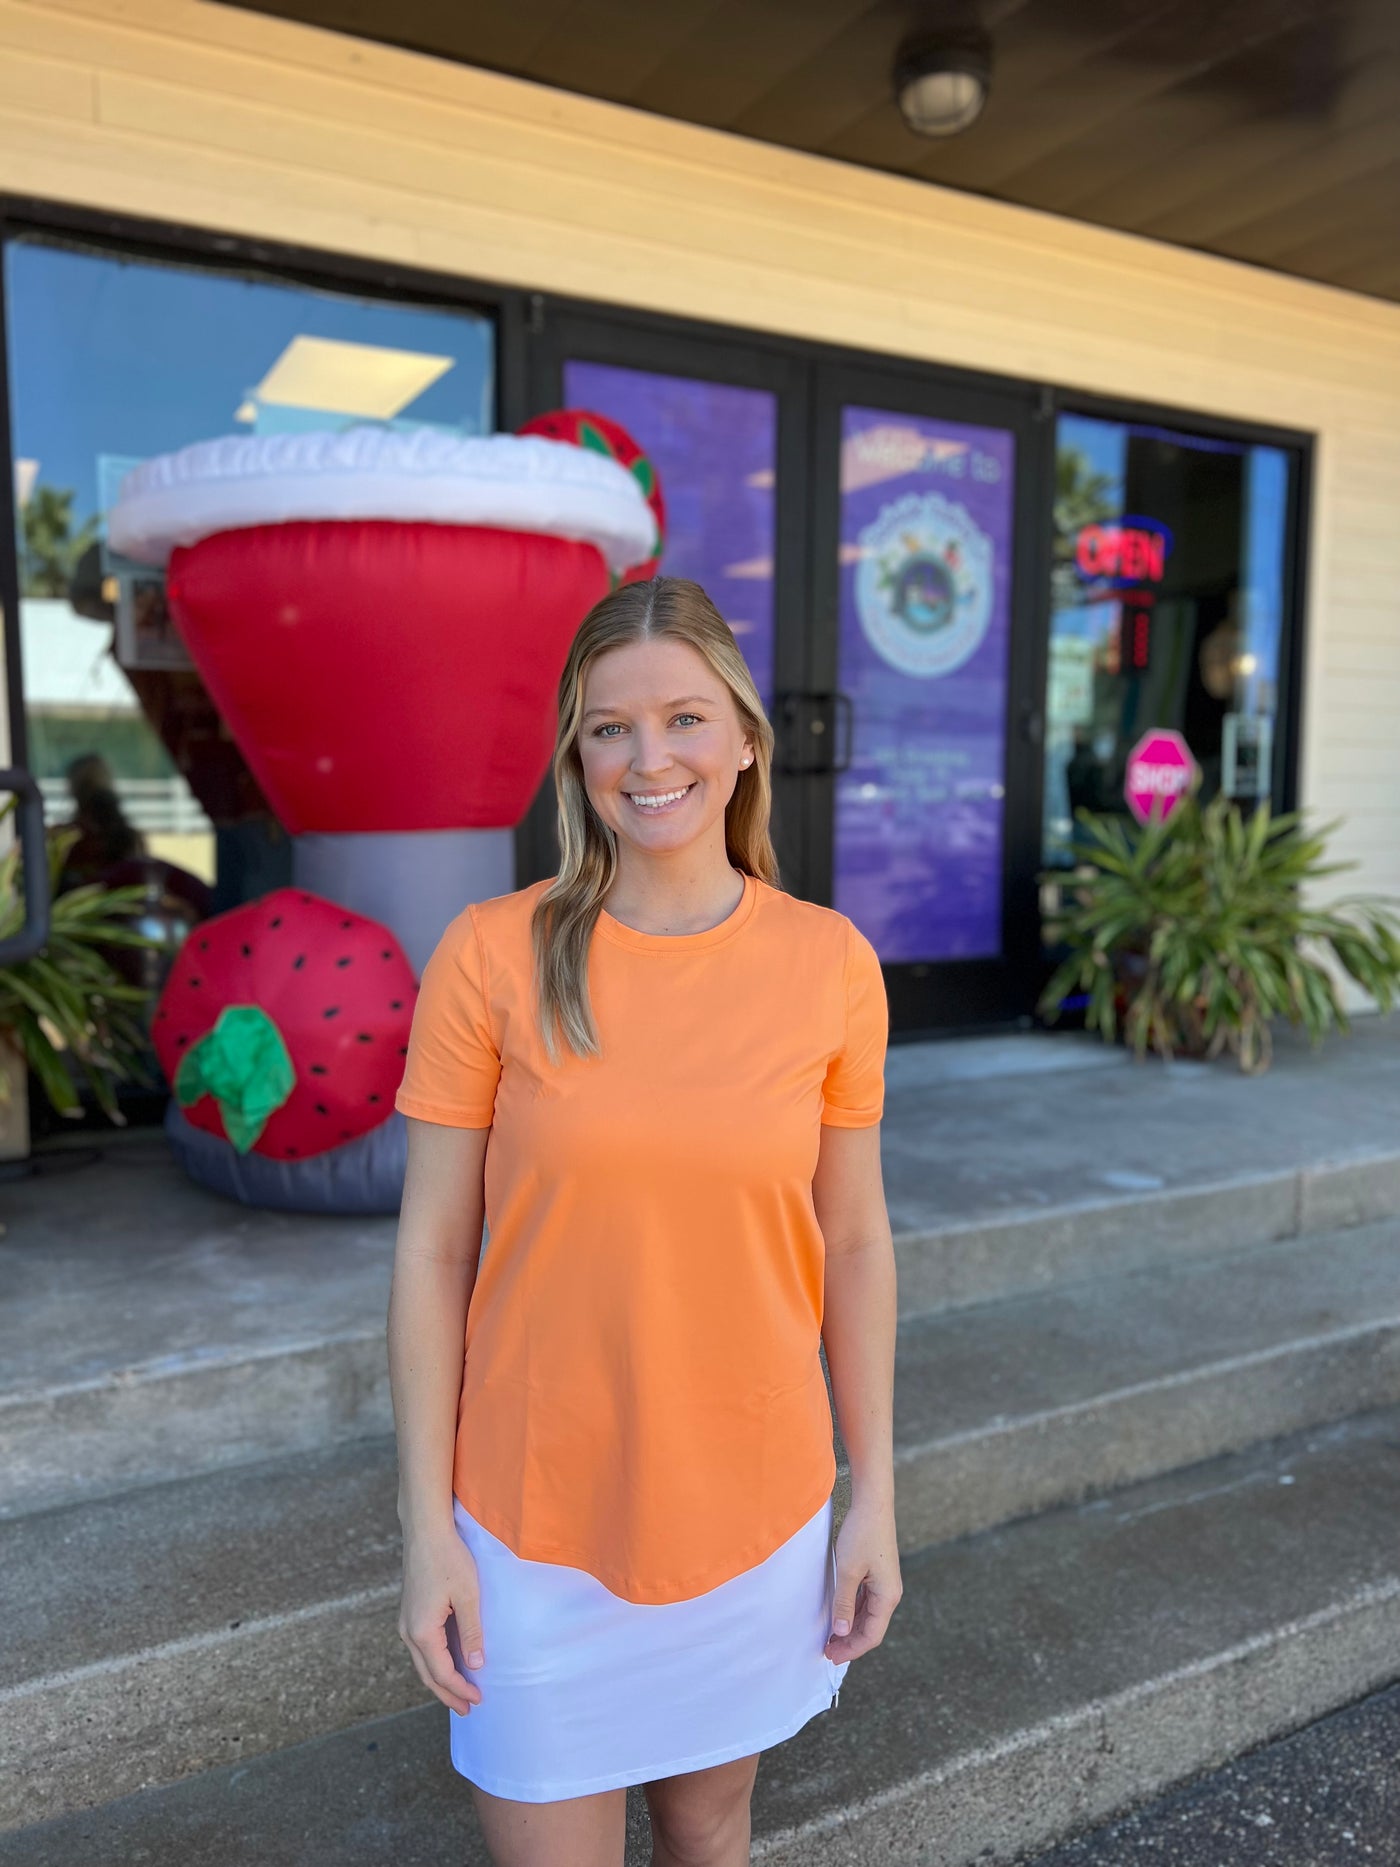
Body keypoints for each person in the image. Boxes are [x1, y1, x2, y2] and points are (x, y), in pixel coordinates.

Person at [388, 575, 901, 1867]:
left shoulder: (830, 963)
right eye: (610, 727)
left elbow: (853, 1242)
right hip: (530, 1525)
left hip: (754, 1508)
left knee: (710, 1826)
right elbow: (433, 1251)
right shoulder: (492, 955)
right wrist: (425, 1531)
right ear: (577, 755)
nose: (649, 756)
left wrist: (875, 1493)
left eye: (682, 718)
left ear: (741, 739)